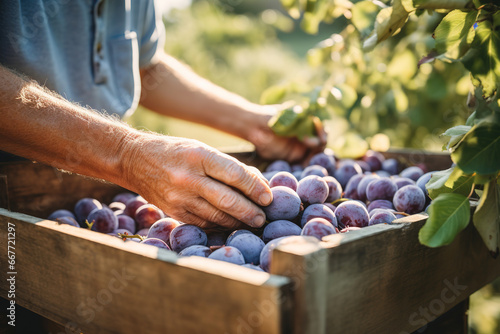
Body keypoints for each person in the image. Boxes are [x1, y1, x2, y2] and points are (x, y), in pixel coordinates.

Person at [0, 0, 325, 230]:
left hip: (104, 184)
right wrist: (125, 154)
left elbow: (143, 66)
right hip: (14, 194)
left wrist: (252, 123)